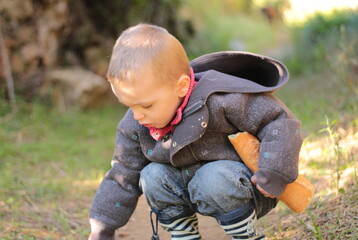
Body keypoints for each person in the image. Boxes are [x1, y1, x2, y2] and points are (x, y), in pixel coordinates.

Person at [88, 23, 303, 240]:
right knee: (151, 175)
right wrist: (102, 226)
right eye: (129, 105)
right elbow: (122, 174)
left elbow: (279, 122)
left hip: (247, 186)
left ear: (181, 86)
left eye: (146, 105)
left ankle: (247, 235)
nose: (137, 116)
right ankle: (184, 235)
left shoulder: (222, 100)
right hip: (187, 187)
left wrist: (274, 170)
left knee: (212, 177)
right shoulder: (136, 123)